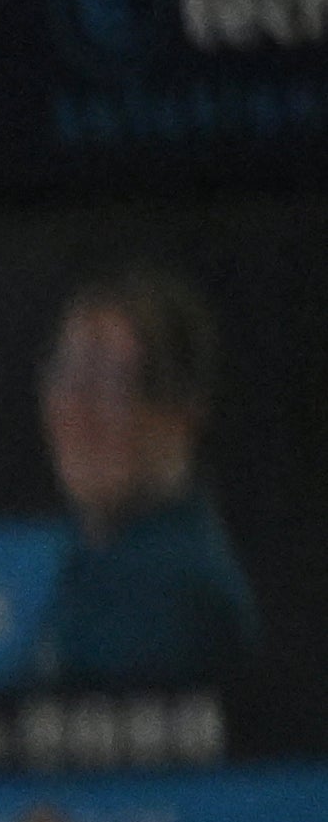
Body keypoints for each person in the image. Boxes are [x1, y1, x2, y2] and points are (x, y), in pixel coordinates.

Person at [28, 264, 259, 692]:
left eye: (111, 383)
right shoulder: (92, 561)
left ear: (181, 412)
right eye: (66, 374)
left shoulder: (174, 593)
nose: (77, 411)